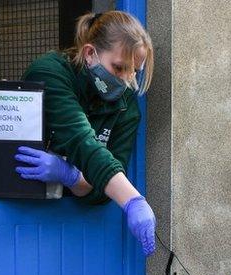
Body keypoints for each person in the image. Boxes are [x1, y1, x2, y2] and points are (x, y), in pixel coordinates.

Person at [14, 10, 156, 256]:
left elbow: (102, 192)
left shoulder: (126, 107)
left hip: (75, 240)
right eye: (119, 67)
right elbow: (82, 141)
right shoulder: (51, 73)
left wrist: (70, 176)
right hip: (20, 221)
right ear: (90, 53)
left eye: (134, 71)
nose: (126, 80)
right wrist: (132, 200)